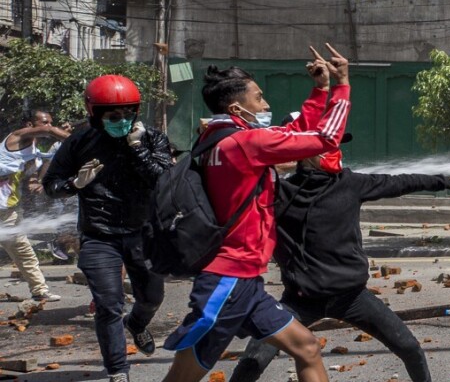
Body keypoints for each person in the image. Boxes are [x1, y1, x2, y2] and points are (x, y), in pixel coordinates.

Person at [160, 44, 352, 382]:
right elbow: (325, 137)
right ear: (237, 107)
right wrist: (341, 85)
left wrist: (318, 90)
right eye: (259, 98)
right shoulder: (245, 144)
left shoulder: (217, 139)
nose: (266, 105)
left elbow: (291, 135)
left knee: (306, 347)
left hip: (244, 280)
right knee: (182, 378)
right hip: (228, 281)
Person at [228, 124, 450, 382]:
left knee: (410, 348)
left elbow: (400, 182)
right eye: (326, 145)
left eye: (336, 144)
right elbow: (235, 178)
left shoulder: (350, 183)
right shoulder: (278, 192)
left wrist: (446, 181)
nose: (335, 151)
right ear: (305, 151)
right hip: (299, 301)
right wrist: (278, 164)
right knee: (253, 361)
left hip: (352, 297)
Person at [42, 76, 173, 382]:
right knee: (108, 304)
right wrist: (74, 184)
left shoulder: (152, 138)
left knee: (152, 297)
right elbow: (51, 185)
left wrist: (137, 147)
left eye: (129, 113)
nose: (123, 120)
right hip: (99, 234)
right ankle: (118, 371)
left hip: (144, 233)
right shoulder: (78, 142)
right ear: (95, 113)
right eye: (114, 116)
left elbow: (164, 180)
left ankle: (138, 325)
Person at [0, 109, 70, 301]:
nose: (49, 126)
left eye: (51, 122)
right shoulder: (17, 136)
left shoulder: (32, 150)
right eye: (44, 122)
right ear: (29, 125)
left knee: (24, 252)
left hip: (7, 212)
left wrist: (34, 182)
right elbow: (50, 132)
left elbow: (29, 176)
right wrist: (78, 140)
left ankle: (39, 291)